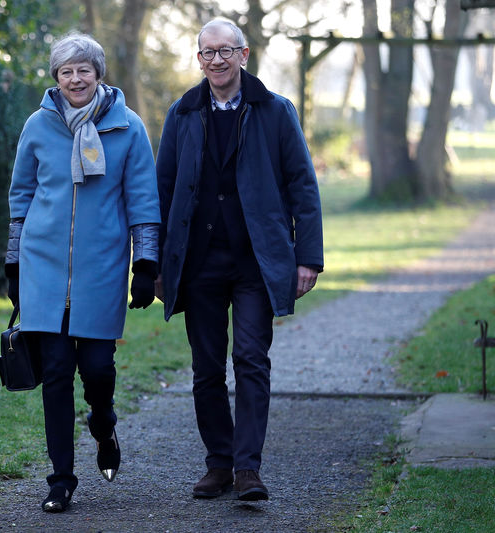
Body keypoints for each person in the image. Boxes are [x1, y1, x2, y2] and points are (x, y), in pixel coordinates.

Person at [155, 19, 323, 501]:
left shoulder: (274, 110)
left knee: (251, 359)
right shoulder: (182, 113)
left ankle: (248, 469)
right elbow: (162, 192)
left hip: (257, 261)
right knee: (206, 368)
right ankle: (219, 464)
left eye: (225, 51)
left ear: (244, 55)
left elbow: (303, 186)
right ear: (199, 58)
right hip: (199, 262)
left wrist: (306, 257)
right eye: (207, 53)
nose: (216, 60)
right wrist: (160, 264)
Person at [4, 32, 160, 513]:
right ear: (57, 78)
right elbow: (21, 196)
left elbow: (143, 201)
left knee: (97, 368)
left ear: (98, 74)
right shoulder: (38, 125)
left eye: (83, 70)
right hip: (43, 268)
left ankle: (104, 422)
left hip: (102, 268)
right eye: (66, 71)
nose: (75, 79)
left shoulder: (128, 127)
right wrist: (13, 261)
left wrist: (146, 264)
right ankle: (60, 480)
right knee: (55, 373)